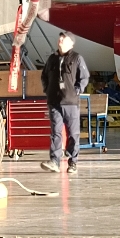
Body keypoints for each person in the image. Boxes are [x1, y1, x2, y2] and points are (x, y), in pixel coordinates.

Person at [40, 31, 89, 175]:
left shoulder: (77, 58)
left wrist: (77, 90)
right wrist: (47, 90)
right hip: (54, 102)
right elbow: (44, 76)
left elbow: (84, 77)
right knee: (55, 132)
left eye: (64, 38)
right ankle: (54, 161)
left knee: (73, 133)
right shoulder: (52, 59)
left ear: (71, 43)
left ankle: (73, 162)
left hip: (71, 103)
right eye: (60, 37)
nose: (60, 39)